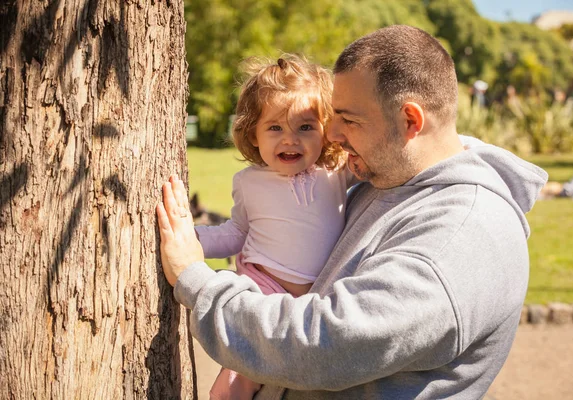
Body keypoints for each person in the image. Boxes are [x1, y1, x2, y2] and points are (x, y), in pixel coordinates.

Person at [157, 25, 548, 399]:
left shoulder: (459, 235)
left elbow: (325, 344)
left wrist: (197, 281)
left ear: (410, 120)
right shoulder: (383, 182)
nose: (334, 135)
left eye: (349, 119)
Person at [191, 55, 351, 399]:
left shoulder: (337, 173)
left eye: (305, 127)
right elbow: (235, 233)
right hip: (265, 290)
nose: (290, 140)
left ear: (326, 131)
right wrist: (191, 241)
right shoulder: (249, 182)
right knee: (235, 382)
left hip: (315, 301)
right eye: (275, 128)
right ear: (253, 134)